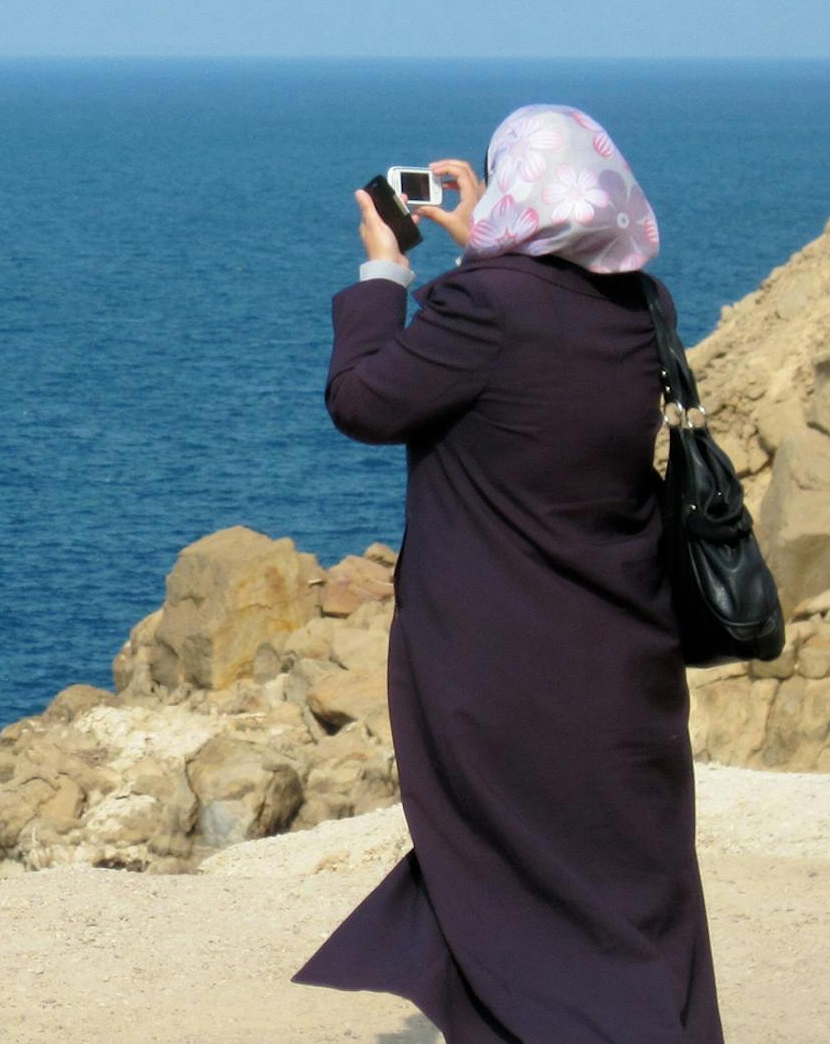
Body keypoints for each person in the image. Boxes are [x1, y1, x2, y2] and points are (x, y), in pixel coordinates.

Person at [293, 105, 725, 1042]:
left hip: (500, 661)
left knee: (506, 874)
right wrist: (488, 242)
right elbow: (532, 367)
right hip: (622, 650)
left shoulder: (483, 308)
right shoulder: (642, 305)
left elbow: (364, 402)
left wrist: (385, 270)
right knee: (624, 877)